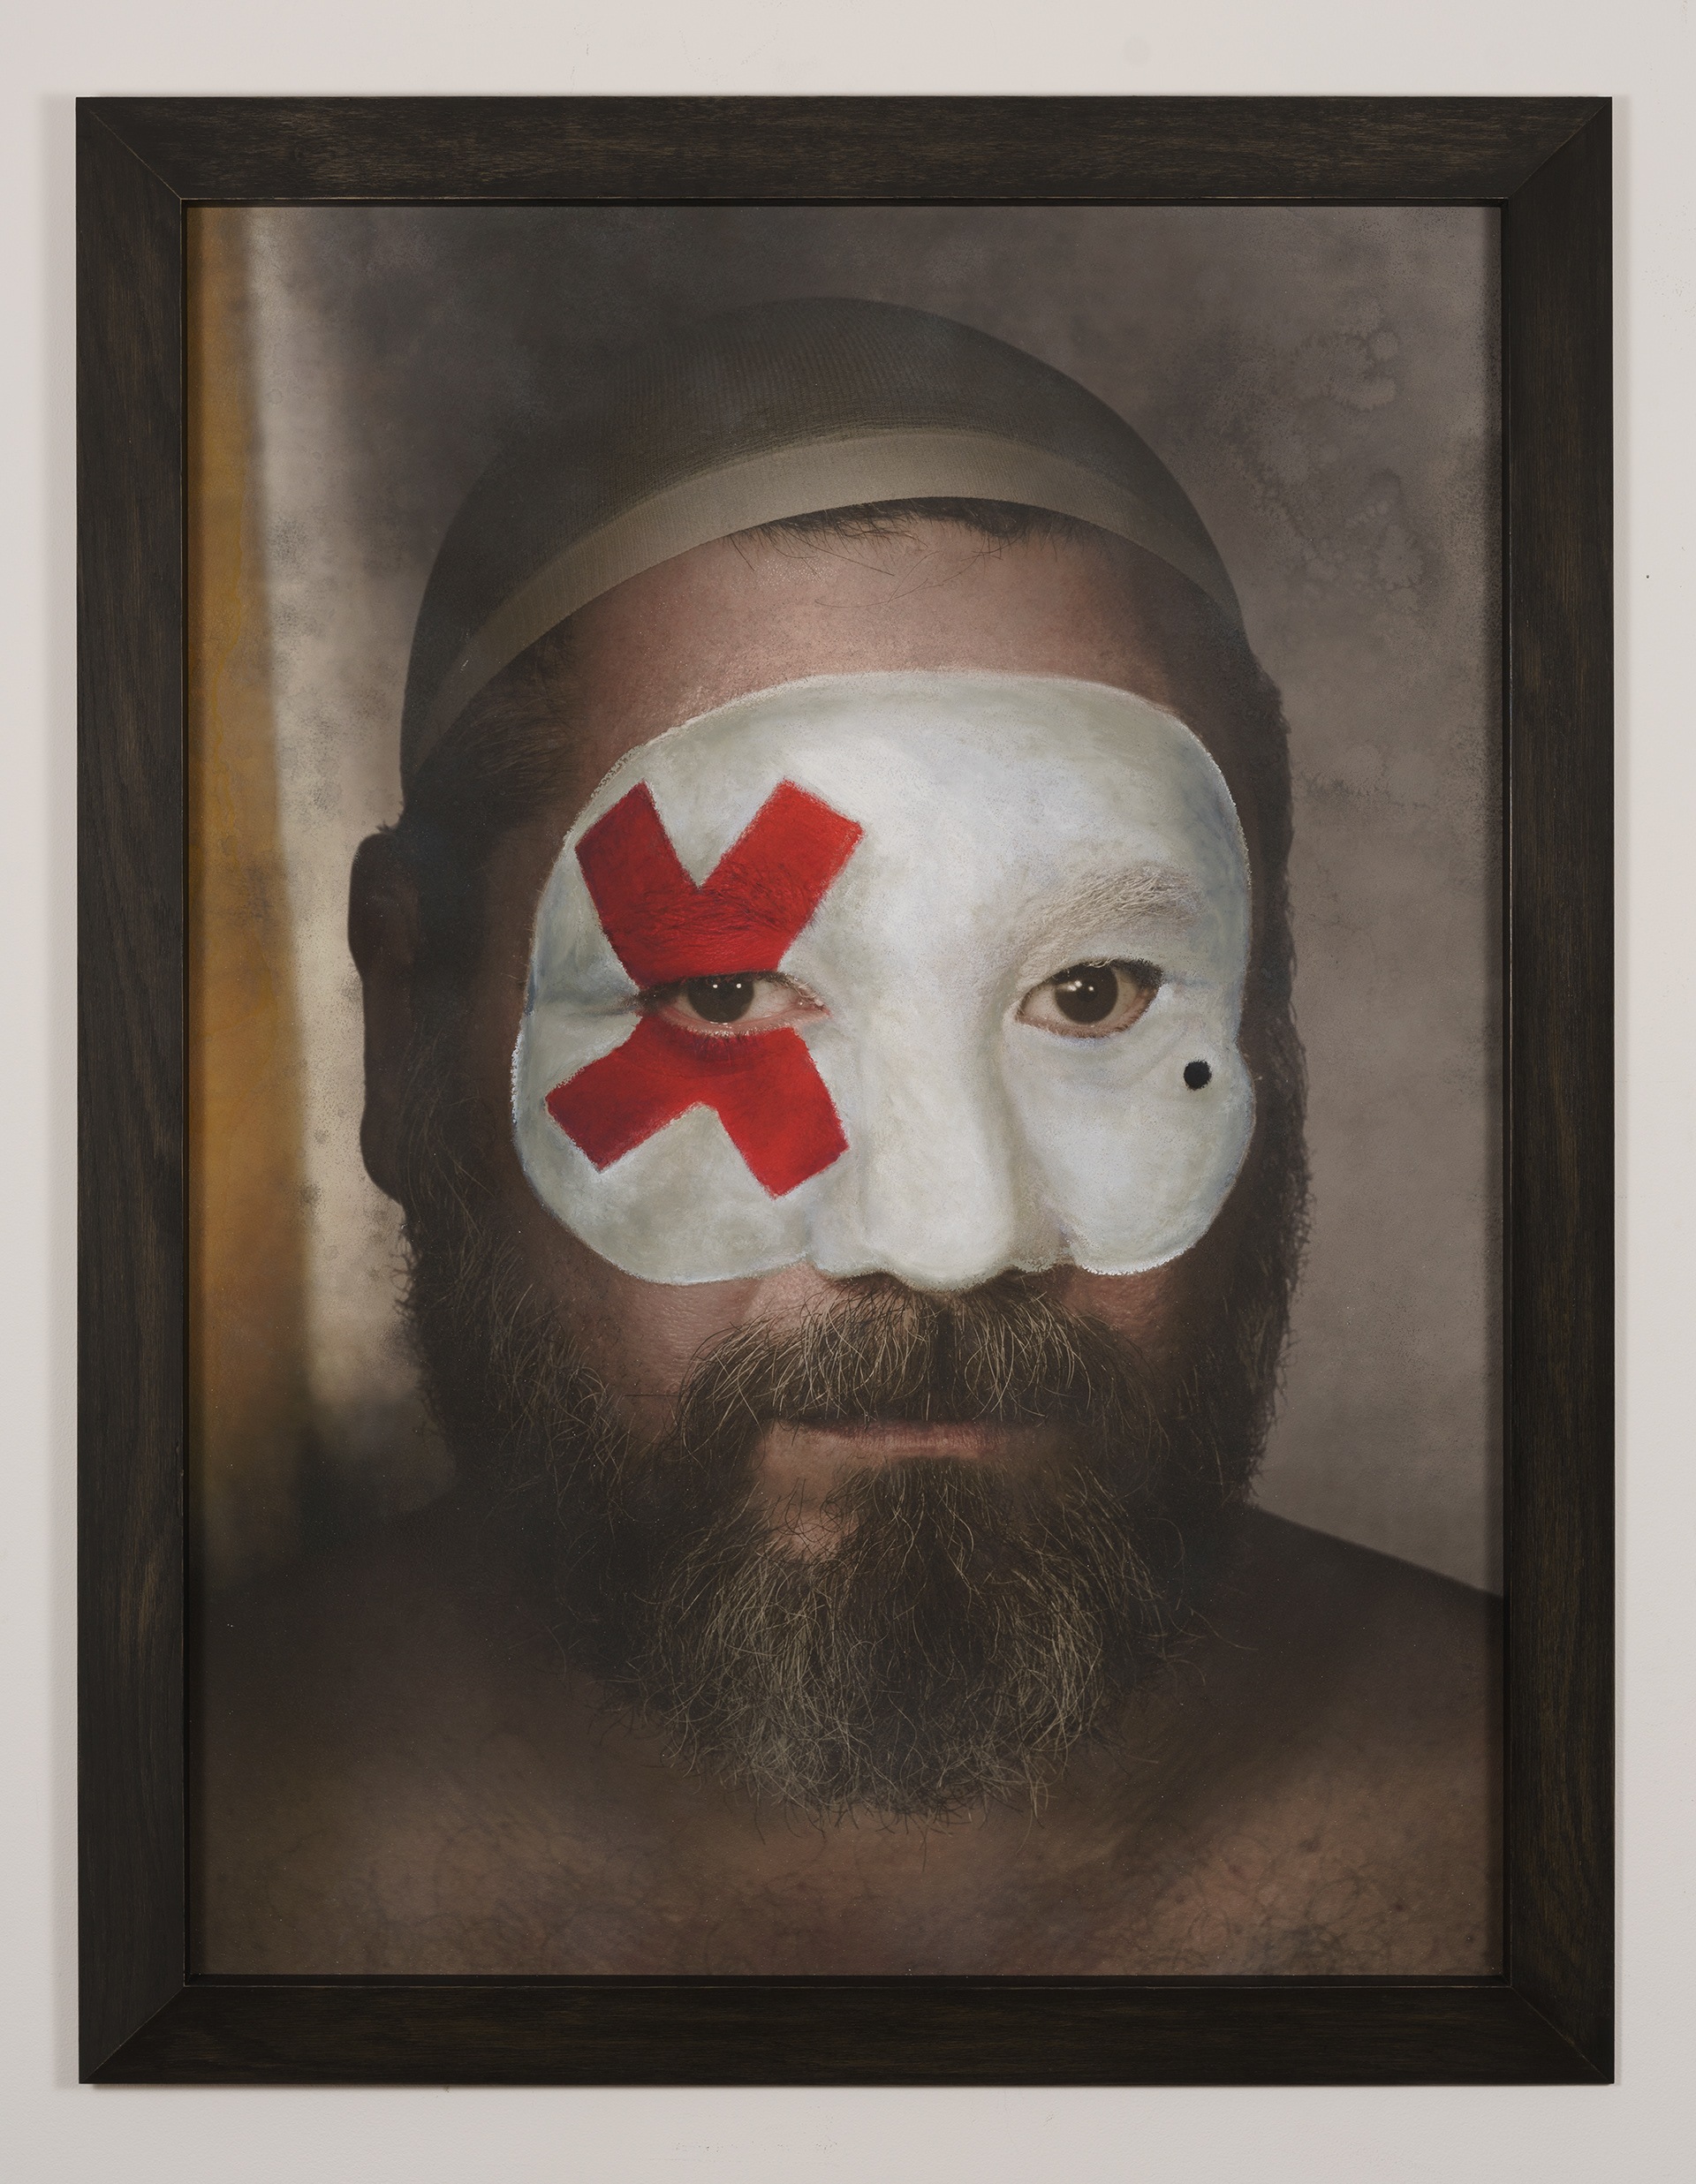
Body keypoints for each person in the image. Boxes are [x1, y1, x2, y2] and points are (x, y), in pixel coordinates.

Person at [194, 299, 1499, 1976]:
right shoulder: (122, 1849)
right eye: (724, 992)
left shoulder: (1581, 1832)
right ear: (403, 1034)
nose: (950, 1237)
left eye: (1092, 992)